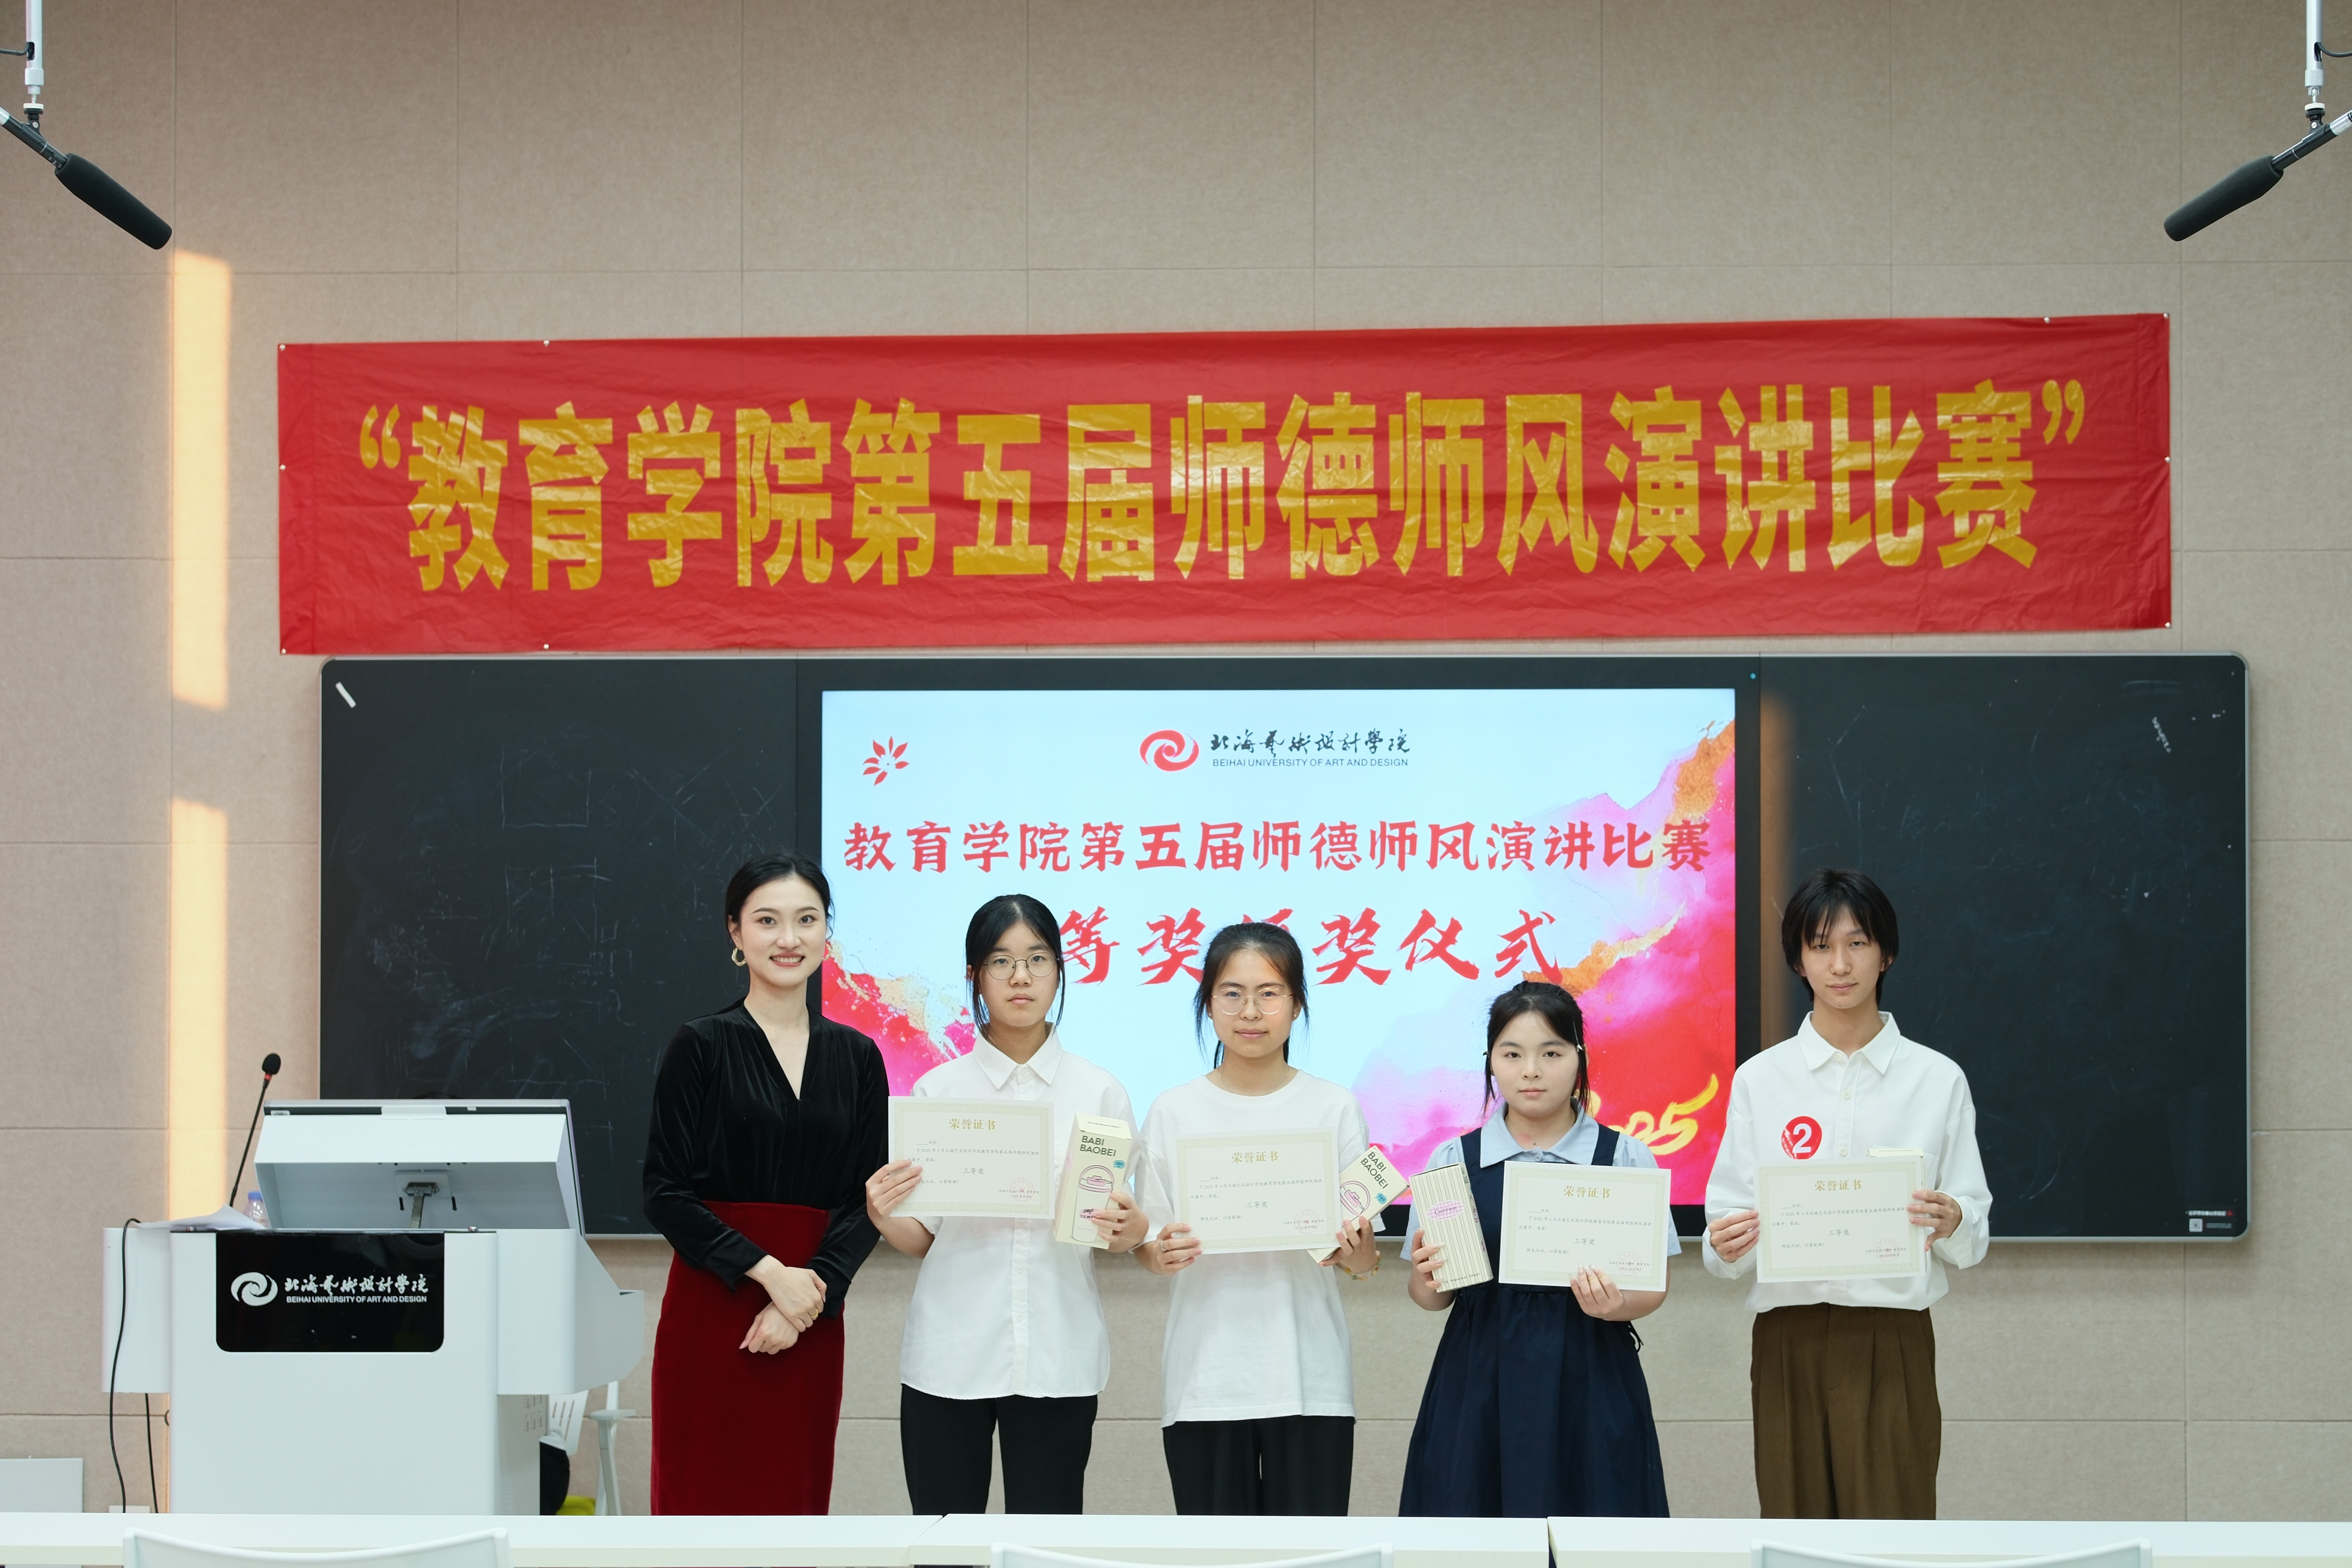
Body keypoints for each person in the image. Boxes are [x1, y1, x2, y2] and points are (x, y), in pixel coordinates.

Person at [1703, 868, 1992, 1520]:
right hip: (1788, 1338)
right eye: (1820, 946)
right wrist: (1725, 1243)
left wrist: (1954, 1219)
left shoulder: (1937, 1079)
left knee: (1894, 1531)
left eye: (1857, 944)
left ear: (1885, 954)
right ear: (1797, 960)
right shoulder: (1760, 1080)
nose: (1840, 965)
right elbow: (1724, 1240)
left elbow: (1972, 1235)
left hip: (1892, 1337)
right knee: (1795, 1529)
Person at [864, 893, 1147, 1514]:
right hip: (949, 1354)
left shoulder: (1100, 1091)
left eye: (1038, 960)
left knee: (1044, 1545)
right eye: (1001, 961)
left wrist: (1129, 1230)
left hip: (1059, 1354)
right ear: (974, 976)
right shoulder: (937, 1092)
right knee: (943, 1545)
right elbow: (924, 1239)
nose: (1021, 978)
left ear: (1060, 972)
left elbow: (1119, 1229)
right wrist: (884, 1216)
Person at [640, 853, 887, 1514]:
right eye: (768, 921)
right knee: (701, 1505)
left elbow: (865, 1200)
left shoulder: (859, 1056)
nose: (789, 938)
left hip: (811, 1312)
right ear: (736, 931)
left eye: (807, 920)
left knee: (793, 1504)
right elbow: (664, 1192)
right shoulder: (700, 1045)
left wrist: (805, 1297)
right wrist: (770, 1274)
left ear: (826, 931)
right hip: (714, 1305)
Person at [1397, 979, 1675, 1517]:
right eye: (1512, 1054)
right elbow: (1432, 1298)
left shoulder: (1625, 1157)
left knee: (1596, 1522)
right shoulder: (1453, 1159)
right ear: (1490, 1062)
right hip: (1478, 1378)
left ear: (1579, 1058)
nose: (1531, 1071)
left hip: (1591, 1374)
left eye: (1551, 1053)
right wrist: (1426, 1279)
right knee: (1474, 1525)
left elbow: (1652, 1289)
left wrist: (1617, 1305)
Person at [1133, 921, 1380, 1516]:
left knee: (1313, 1555)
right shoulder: (1173, 1111)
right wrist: (1158, 1255)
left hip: (1311, 1380)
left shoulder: (1334, 1108)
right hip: (1206, 1381)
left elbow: (1362, 1257)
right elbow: (1151, 1243)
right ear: (1207, 1004)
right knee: (1216, 1555)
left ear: (1297, 1004)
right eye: (1232, 993)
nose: (1250, 1011)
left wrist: (1360, 1256)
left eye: (1269, 993)